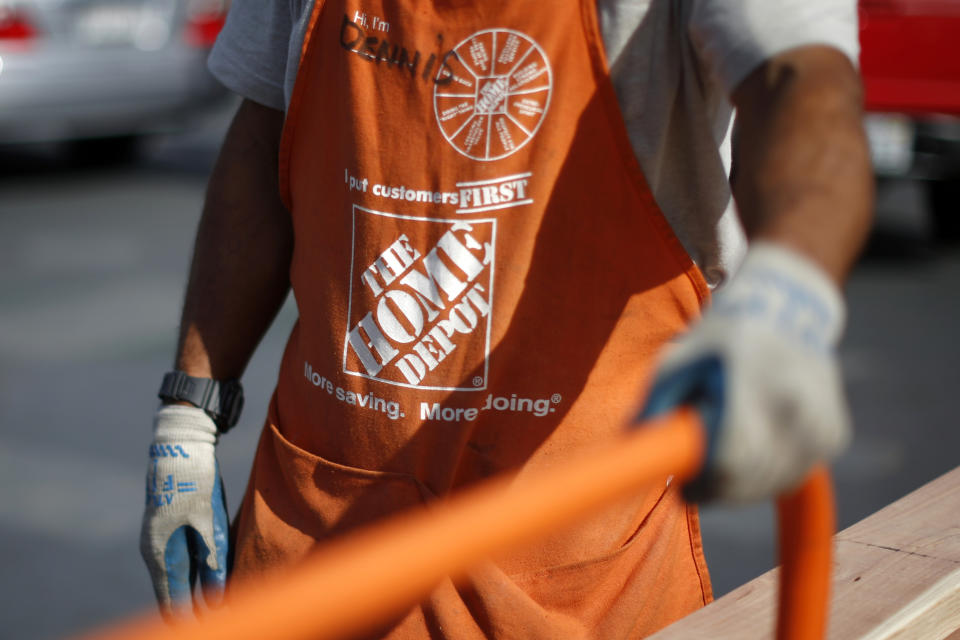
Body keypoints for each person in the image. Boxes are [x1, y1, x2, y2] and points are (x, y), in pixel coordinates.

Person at [140, 0, 872, 637]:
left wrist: (787, 297)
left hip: (572, 585)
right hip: (318, 560)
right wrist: (190, 412)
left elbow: (801, 80)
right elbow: (264, 130)